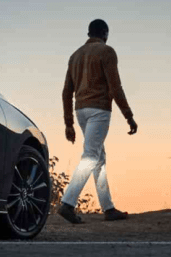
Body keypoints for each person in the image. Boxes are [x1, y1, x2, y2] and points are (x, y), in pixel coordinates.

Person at [58, 19, 138, 224]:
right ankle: (68, 203)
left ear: (88, 33)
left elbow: (67, 91)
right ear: (105, 33)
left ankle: (108, 208)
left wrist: (68, 122)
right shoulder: (107, 51)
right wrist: (128, 115)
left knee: (99, 157)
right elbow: (115, 87)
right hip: (99, 110)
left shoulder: (75, 55)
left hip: (80, 111)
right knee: (91, 156)